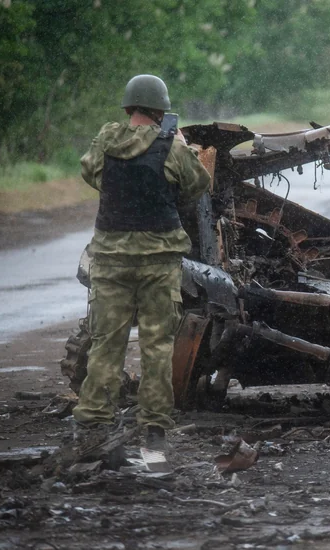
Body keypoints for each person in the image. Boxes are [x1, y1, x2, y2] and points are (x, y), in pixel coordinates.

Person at [72, 74, 212, 451]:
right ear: (160, 110)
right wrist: (183, 147)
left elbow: (90, 172)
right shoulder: (172, 146)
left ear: (129, 107)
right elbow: (198, 185)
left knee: (106, 343)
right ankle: (153, 426)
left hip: (111, 260)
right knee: (157, 345)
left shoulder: (105, 140)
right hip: (158, 262)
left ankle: (93, 422)